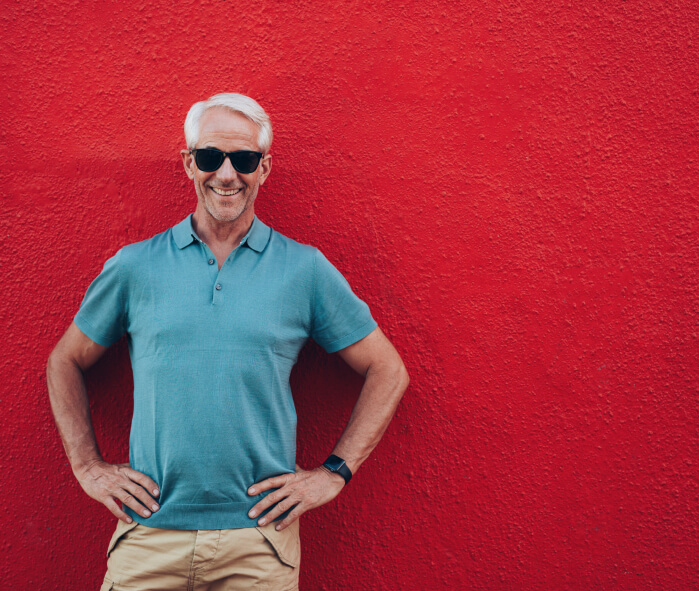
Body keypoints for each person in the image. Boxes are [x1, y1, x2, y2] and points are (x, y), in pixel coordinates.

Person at [46, 93, 409, 590]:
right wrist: (87, 466)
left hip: (259, 545)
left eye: (243, 159)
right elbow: (65, 360)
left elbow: (388, 370)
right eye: (211, 157)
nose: (226, 174)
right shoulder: (135, 267)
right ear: (188, 164)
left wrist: (333, 473)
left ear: (264, 168)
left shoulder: (303, 270)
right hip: (148, 536)